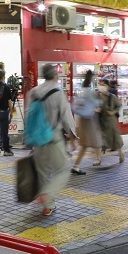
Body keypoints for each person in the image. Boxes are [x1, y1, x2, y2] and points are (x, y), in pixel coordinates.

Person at [28, 64, 77, 216]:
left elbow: (29, 116)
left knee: (43, 172)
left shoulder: (33, 92)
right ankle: (47, 195)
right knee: (63, 169)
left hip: (37, 139)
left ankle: (47, 206)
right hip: (54, 137)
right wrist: (73, 136)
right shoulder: (57, 92)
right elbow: (66, 116)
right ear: (55, 76)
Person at [71, 70, 102, 175]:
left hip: (82, 119)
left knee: (86, 143)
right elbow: (98, 103)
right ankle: (77, 165)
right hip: (90, 120)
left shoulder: (82, 90)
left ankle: (78, 165)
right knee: (91, 142)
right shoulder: (91, 92)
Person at [97, 77, 124, 163]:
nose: (101, 87)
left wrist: (113, 112)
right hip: (101, 121)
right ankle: (99, 159)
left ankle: (120, 154)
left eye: (103, 85)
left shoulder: (112, 97)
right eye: (100, 85)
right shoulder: (97, 96)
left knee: (115, 139)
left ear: (108, 87)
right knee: (101, 140)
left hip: (110, 122)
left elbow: (119, 105)